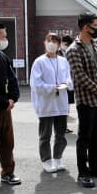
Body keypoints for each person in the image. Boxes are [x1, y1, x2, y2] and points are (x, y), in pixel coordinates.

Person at [66, 12, 97, 188]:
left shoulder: (95, 45)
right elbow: (80, 77)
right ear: (86, 26)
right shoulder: (73, 50)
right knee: (84, 137)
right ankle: (83, 172)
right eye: (95, 25)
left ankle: (95, 167)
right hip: (86, 101)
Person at [30, 33, 73, 173]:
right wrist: (51, 87)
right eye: (49, 41)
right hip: (46, 104)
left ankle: (57, 158)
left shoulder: (63, 61)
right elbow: (35, 84)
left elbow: (69, 79)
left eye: (54, 41)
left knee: (60, 134)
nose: (51, 44)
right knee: (45, 135)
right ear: (44, 43)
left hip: (61, 103)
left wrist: (66, 84)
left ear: (59, 45)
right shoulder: (39, 62)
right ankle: (46, 160)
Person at [0, 21, 21, 191]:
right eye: (4, 36)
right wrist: (3, 101)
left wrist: (13, 98)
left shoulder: (2, 56)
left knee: (7, 141)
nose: (6, 39)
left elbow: (12, 78)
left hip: (5, 107)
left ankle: (8, 172)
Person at [58, 35, 74, 134]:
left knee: (66, 106)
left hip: (69, 83)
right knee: (60, 106)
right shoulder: (57, 53)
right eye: (66, 44)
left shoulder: (70, 53)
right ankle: (60, 127)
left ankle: (65, 126)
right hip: (60, 83)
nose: (67, 46)